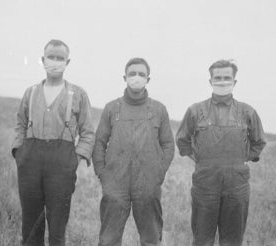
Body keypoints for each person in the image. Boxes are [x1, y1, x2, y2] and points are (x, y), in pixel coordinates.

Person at [11, 39, 95, 246]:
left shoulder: (78, 94)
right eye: (51, 57)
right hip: (30, 159)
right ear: (42, 60)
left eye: (60, 58)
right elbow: (20, 123)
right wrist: (19, 152)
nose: (55, 62)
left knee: (57, 223)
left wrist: (75, 159)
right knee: (30, 223)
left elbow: (87, 132)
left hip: (62, 161)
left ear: (68, 62)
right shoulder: (31, 92)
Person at [176, 59, 266, 246]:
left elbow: (258, 142)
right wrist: (200, 159)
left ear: (234, 81)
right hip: (204, 185)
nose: (222, 81)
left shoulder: (248, 112)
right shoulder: (195, 111)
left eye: (227, 77)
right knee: (202, 240)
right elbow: (183, 141)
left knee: (232, 241)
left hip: (237, 186)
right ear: (210, 81)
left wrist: (242, 159)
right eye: (218, 78)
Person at [92, 57, 175, 246]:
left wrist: (158, 173)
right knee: (108, 240)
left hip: (147, 184)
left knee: (151, 239)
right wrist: (102, 174)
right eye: (132, 74)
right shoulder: (112, 108)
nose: (136, 77)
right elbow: (99, 143)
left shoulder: (159, 109)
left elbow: (168, 145)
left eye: (141, 74)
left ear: (148, 79)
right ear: (124, 77)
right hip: (115, 183)